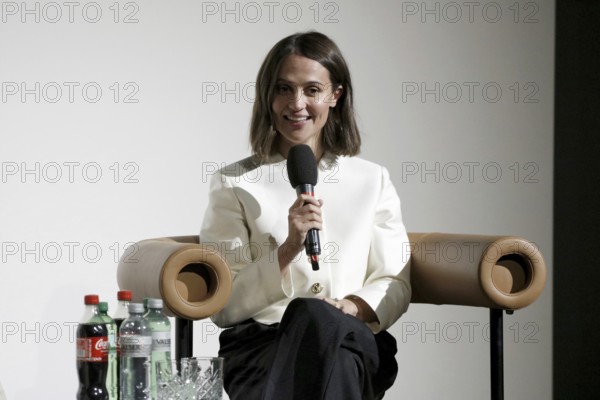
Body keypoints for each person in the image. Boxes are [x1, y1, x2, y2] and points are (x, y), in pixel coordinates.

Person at [200, 31, 411, 400]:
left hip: (355, 336)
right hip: (263, 349)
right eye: (284, 88)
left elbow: (395, 279)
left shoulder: (371, 180)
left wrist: (353, 306)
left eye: (312, 90)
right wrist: (286, 250)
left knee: (329, 330)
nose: (296, 103)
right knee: (326, 343)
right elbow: (225, 303)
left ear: (335, 96)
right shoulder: (234, 183)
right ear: (269, 96)